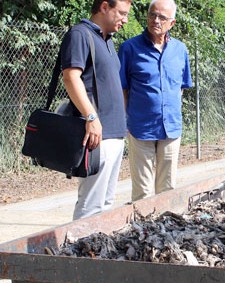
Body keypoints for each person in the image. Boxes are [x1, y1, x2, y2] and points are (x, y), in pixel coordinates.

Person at [60, 0, 131, 219]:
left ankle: (95, 251)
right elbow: (71, 77)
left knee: (105, 204)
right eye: (121, 13)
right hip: (97, 135)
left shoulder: (107, 40)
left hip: (115, 134)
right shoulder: (80, 34)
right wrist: (91, 117)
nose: (125, 20)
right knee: (91, 205)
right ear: (103, 7)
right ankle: (77, 250)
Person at [119, 0, 193, 202]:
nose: (156, 20)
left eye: (162, 17)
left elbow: (180, 88)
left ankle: (165, 229)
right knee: (142, 192)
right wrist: (127, 120)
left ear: (172, 23)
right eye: (152, 14)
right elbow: (123, 89)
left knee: (167, 188)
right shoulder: (129, 48)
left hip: (171, 128)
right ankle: (141, 232)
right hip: (140, 128)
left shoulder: (180, 50)